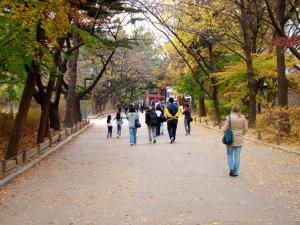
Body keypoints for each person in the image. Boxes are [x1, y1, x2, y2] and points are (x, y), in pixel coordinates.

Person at [222, 104, 248, 177]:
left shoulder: (229, 117)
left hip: (229, 139)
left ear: (232, 109)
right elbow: (246, 129)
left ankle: (231, 169)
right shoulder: (242, 118)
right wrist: (241, 134)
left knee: (229, 154)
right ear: (239, 109)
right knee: (237, 156)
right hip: (239, 139)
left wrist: (225, 133)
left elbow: (224, 129)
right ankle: (235, 172)